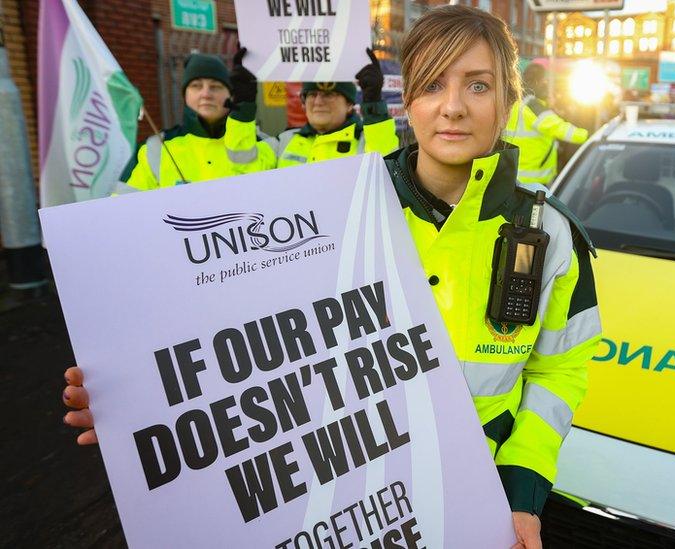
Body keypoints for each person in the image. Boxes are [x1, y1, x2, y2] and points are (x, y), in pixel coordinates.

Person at [64, 6, 601, 549]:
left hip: (477, 504)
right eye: (433, 83)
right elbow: (249, 331)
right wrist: (134, 400)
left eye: (479, 85)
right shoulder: (332, 213)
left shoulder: (551, 236)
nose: (453, 107)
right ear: (408, 101)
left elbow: (559, 374)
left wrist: (520, 492)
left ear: (509, 100)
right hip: (339, 503)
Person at [115, 49, 276, 193]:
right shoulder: (156, 148)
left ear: (231, 95)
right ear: (185, 95)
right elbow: (124, 211)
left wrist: (243, 115)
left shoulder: (262, 144)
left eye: (216, 86)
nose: (206, 94)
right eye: (196, 86)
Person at [274, 49, 399, 168]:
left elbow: (386, 169)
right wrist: (252, 104)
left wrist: (374, 103)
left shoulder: (365, 141)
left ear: (349, 104)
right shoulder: (282, 142)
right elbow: (254, 166)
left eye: (328, 94)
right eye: (312, 95)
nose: (318, 102)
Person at [502, 63, 588, 186]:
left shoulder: (514, 103)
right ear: (537, 82)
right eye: (544, 81)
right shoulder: (532, 105)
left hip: (514, 175)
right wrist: (587, 135)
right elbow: (559, 129)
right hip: (533, 182)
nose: (547, 85)